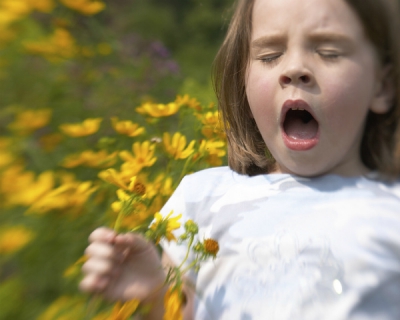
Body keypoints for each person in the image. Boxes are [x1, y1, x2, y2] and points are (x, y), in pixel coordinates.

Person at [80, 0, 400, 318]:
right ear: (242, 79)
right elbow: (182, 312)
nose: (294, 69)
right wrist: (153, 294)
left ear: (382, 86)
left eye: (329, 52)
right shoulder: (204, 197)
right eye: (270, 55)